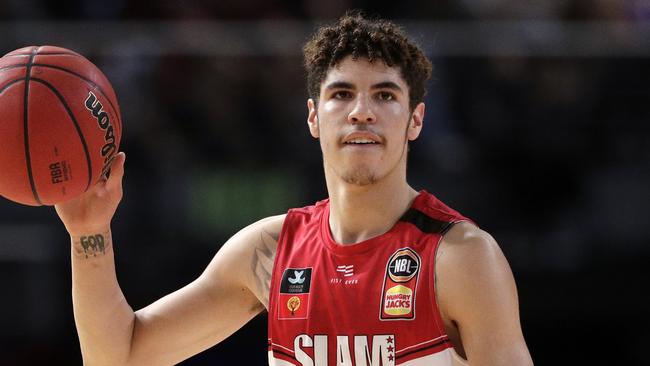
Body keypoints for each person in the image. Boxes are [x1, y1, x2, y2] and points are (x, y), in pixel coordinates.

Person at [55, 12, 533, 366]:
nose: (362, 111)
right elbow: (118, 356)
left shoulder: (462, 257)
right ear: (312, 117)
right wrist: (88, 232)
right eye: (342, 93)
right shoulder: (269, 249)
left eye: (385, 95)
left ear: (416, 121)